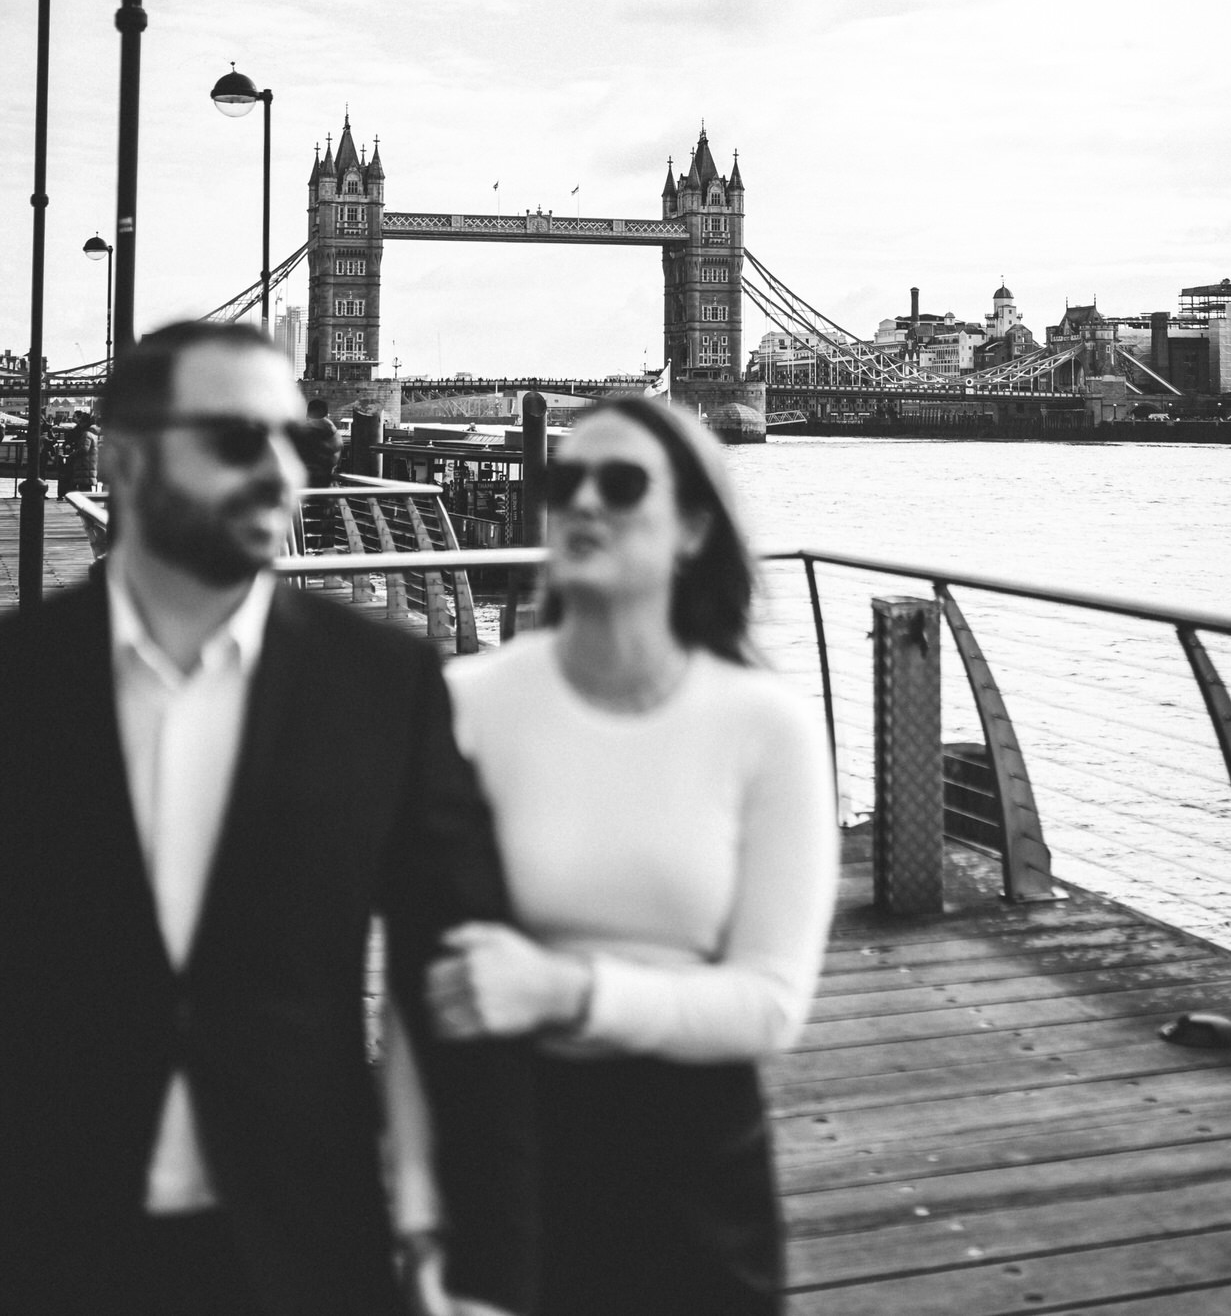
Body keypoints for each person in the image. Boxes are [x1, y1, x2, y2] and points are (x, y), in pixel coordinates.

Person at [0, 321, 533, 1316]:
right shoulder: (18, 684)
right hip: (43, 1235)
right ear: (120, 455)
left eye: (304, 442)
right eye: (238, 437)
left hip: (304, 1243)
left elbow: (456, 978)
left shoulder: (385, 683)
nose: (281, 468)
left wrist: (475, 1258)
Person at [387, 397, 839, 1316]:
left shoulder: (768, 729)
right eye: (562, 482)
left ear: (694, 527)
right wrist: (417, 1216)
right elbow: (412, 990)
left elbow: (769, 1008)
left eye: (623, 483)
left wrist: (566, 993)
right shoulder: (460, 706)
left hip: (694, 1173)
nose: (583, 502)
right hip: (501, 1155)